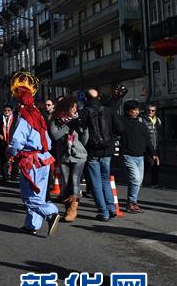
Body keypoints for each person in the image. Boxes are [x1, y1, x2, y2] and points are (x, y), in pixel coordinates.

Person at [6, 72, 60, 237]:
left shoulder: (24, 118)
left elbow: (17, 142)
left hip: (31, 161)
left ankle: (51, 212)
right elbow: (47, 139)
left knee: (28, 196)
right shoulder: (39, 116)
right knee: (38, 194)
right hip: (44, 158)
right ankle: (32, 224)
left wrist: (9, 152)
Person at [78, 89, 118, 221]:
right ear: (99, 98)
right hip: (107, 150)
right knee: (106, 179)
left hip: (92, 151)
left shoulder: (83, 112)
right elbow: (120, 128)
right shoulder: (108, 110)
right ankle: (112, 208)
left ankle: (103, 212)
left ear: (86, 98)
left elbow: (79, 131)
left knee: (96, 182)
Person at [48, 97, 87, 223]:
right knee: (66, 182)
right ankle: (67, 208)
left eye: (76, 107)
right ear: (65, 108)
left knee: (75, 181)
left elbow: (84, 140)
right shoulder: (56, 120)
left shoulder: (77, 119)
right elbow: (55, 135)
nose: (75, 109)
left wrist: (84, 129)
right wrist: (67, 126)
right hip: (64, 155)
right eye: (72, 107)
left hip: (78, 155)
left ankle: (73, 209)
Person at [115, 100, 158, 213]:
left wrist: (153, 153)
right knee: (135, 179)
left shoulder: (140, 124)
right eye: (135, 110)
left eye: (138, 110)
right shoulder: (121, 122)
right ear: (128, 111)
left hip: (140, 157)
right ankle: (131, 203)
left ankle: (132, 202)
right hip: (128, 155)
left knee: (138, 181)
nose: (137, 112)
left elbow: (147, 140)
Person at [141, 104, 162, 189]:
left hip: (157, 147)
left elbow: (160, 133)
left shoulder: (158, 120)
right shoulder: (142, 120)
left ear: (155, 111)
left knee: (156, 165)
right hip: (147, 147)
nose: (150, 112)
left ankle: (155, 183)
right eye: (149, 110)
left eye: (153, 110)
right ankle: (140, 181)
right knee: (148, 165)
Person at [0, 105, 17, 183]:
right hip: (3, 142)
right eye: (5, 110)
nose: (7, 112)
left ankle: (14, 176)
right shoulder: (0, 119)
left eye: (8, 110)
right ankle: (5, 176)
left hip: (12, 141)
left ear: (11, 111)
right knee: (3, 159)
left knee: (14, 159)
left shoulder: (15, 119)